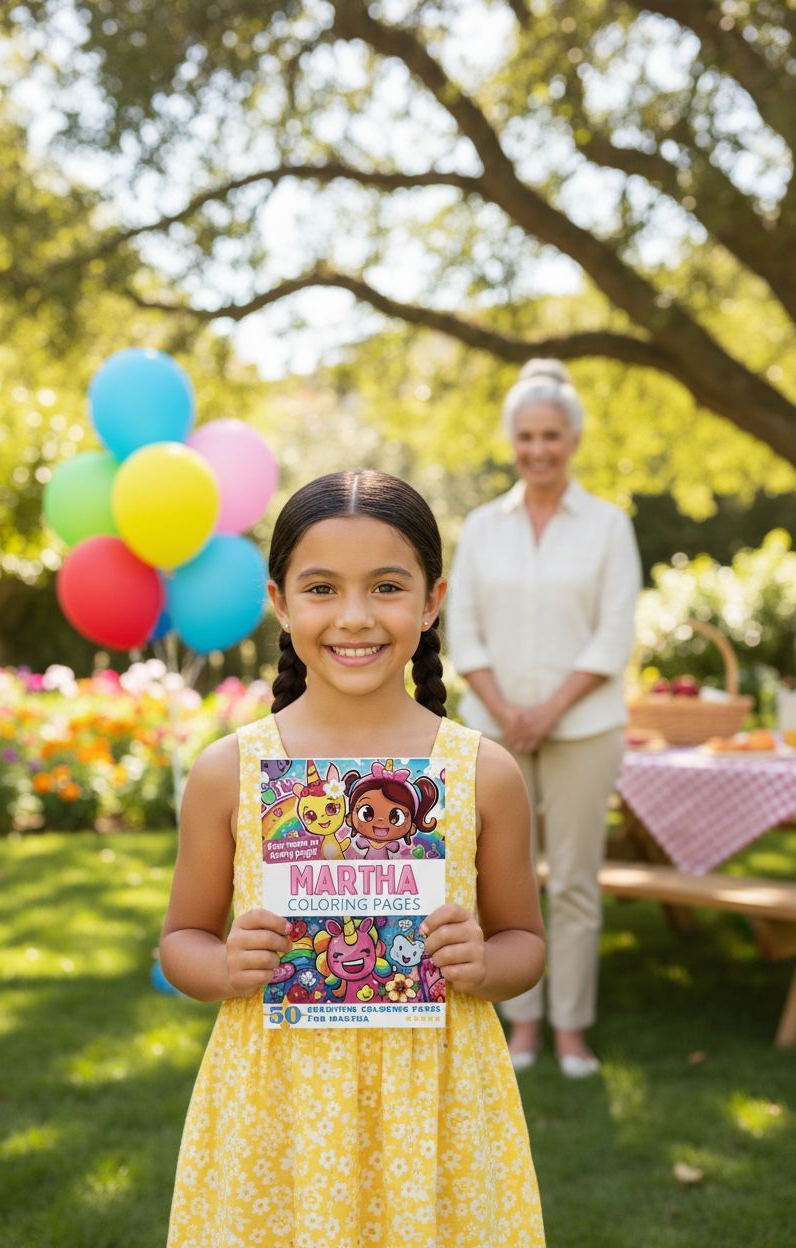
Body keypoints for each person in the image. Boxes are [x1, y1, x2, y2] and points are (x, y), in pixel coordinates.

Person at [161, 470, 546, 1248]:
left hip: (435, 1101)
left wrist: (484, 961)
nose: (356, 617)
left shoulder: (484, 773)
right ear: (280, 601)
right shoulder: (229, 771)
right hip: (277, 1102)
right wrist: (225, 965)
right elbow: (181, 942)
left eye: (387, 586)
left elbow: (525, 944)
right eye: (323, 589)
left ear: (433, 600)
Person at [447, 360, 641, 1078]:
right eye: (526, 435)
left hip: (584, 728)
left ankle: (570, 1029)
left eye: (551, 435)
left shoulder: (608, 526)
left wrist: (548, 711)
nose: (538, 449)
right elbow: (461, 626)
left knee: (574, 881)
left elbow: (612, 633)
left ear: (575, 438)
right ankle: (518, 1024)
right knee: (501, 884)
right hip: (492, 731)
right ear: (511, 440)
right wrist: (505, 711)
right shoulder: (482, 528)